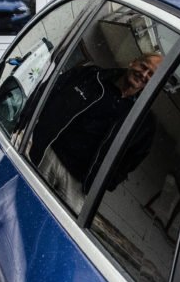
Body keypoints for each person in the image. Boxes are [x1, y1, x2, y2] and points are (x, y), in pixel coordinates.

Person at [28, 53, 163, 211]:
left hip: (79, 185)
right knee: (24, 201)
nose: (144, 74)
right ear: (132, 62)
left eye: (151, 74)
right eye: (143, 66)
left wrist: (104, 183)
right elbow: (49, 92)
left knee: (53, 224)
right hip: (48, 154)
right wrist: (33, 129)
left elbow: (132, 160)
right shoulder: (92, 76)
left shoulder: (144, 122)